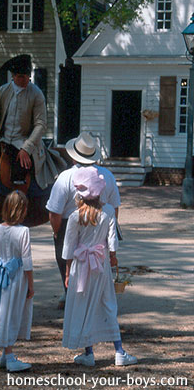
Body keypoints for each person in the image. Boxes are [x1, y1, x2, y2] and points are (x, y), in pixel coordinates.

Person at [62, 166, 137, 367]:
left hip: (80, 266)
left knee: (84, 305)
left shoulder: (75, 216)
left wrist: (68, 271)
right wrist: (113, 257)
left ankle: (89, 352)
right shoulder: (109, 212)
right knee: (107, 303)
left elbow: (68, 247)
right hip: (100, 264)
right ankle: (119, 351)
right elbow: (112, 241)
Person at [46, 131, 121, 308]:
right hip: (100, 223)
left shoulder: (65, 177)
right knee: (98, 265)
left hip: (70, 224)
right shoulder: (108, 176)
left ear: (73, 157)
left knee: (69, 264)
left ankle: (71, 296)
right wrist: (108, 230)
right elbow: (115, 208)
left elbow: (54, 212)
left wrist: (57, 233)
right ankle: (97, 300)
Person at [0, 54, 66, 189]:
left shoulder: (36, 94)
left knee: (19, 172)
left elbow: (41, 125)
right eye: (20, 77)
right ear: (13, 76)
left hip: (25, 141)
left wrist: (26, 148)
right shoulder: (3, 90)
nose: (24, 80)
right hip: (3, 140)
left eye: (27, 76)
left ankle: (21, 199)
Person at [0, 190, 34, 372]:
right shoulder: (23, 231)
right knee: (12, 314)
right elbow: (27, 262)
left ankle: (5, 355)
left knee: (3, 311)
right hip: (17, 278)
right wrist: (31, 285)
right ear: (21, 210)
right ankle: (11, 356)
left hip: (0, 277)